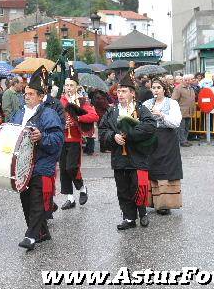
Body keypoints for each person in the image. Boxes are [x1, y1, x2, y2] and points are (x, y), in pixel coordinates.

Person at [11, 66, 64, 250]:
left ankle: (31, 236)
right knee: (25, 200)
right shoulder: (19, 113)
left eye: (31, 94)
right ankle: (42, 233)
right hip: (23, 166)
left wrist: (42, 138)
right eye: (26, 93)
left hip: (42, 164)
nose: (27, 96)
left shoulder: (48, 113)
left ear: (41, 96)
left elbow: (58, 140)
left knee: (36, 201)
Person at [98, 71, 156, 229]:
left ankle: (142, 212)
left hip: (138, 157)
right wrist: (113, 137)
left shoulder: (140, 109)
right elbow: (102, 131)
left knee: (138, 187)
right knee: (123, 189)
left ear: (132, 93)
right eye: (118, 91)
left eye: (124, 91)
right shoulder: (112, 111)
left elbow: (150, 126)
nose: (120, 94)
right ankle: (129, 218)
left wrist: (130, 134)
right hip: (119, 158)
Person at [59, 66, 99, 210]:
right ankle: (70, 198)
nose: (69, 88)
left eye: (71, 85)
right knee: (63, 169)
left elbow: (94, 116)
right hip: (61, 139)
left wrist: (78, 118)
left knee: (71, 167)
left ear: (77, 87)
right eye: (67, 85)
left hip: (75, 139)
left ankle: (82, 188)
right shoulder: (60, 100)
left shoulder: (82, 101)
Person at [143, 79, 183, 215]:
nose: (155, 90)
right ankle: (152, 201)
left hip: (167, 139)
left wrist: (161, 115)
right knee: (151, 169)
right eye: (153, 88)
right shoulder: (146, 104)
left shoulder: (172, 103)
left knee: (166, 170)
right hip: (151, 139)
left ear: (164, 89)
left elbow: (176, 122)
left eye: (158, 87)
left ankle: (165, 204)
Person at [171, 74, 196, 147]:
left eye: (189, 80)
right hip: (181, 111)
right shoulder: (178, 88)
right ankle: (182, 141)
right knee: (181, 128)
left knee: (187, 127)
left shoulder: (191, 88)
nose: (187, 82)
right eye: (186, 80)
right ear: (182, 80)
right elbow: (174, 99)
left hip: (189, 111)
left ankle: (185, 140)